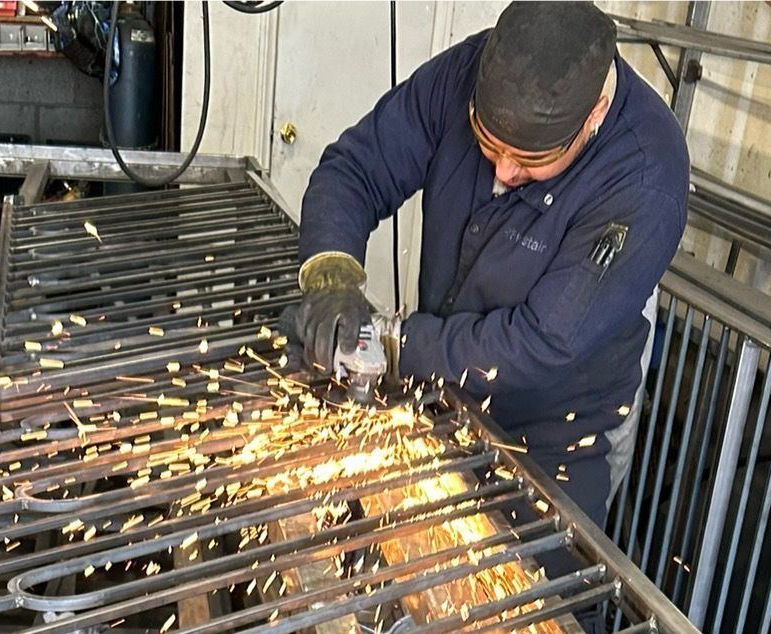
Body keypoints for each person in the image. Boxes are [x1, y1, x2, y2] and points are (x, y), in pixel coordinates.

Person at [292, 0, 690, 525]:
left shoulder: (644, 175)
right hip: (441, 398)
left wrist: (392, 343)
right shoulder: (467, 72)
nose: (502, 171)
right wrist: (333, 277)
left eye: (530, 160)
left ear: (593, 115)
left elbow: (542, 340)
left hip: (550, 447)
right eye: (485, 141)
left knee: (528, 570)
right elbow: (357, 169)